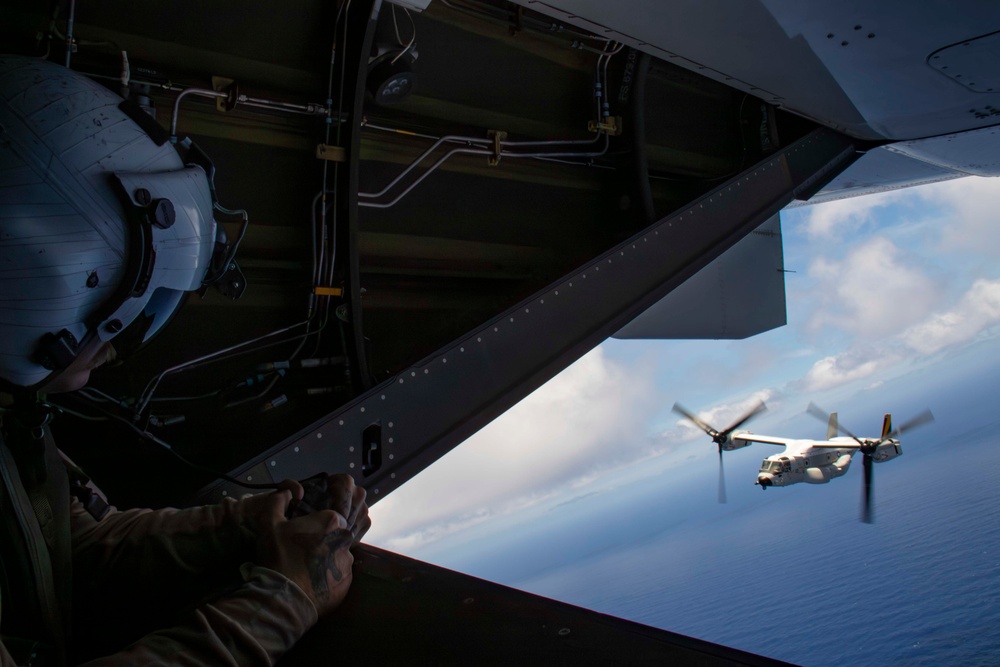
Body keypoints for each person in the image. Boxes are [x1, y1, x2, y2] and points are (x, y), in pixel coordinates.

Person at [0, 54, 369, 665]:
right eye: (119, 308)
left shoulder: (16, 413)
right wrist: (283, 600)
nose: (118, 343)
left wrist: (248, 523)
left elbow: (76, 546)